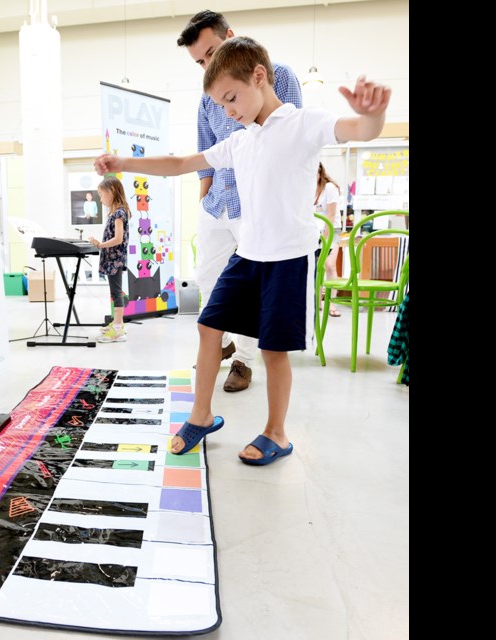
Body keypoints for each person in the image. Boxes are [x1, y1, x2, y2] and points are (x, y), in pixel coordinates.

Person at [94, 36, 390, 464]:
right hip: (247, 255)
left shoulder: (303, 123)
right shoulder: (240, 140)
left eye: (231, 98)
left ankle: (277, 433)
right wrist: (123, 164)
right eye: (221, 105)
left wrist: (373, 115)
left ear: (259, 76)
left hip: (288, 258)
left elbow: (358, 130)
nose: (229, 111)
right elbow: (181, 164)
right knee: (208, 325)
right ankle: (201, 414)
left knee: (273, 351)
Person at [177, 10, 303, 393]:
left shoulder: (277, 73)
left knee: (252, 286)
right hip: (218, 205)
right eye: (199, 61)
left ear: (230, 36)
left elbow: (292, 137)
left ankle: (243, 362)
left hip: (258, 206)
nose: (207, 65)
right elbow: (204, 153)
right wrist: (203, 203)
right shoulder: (206, 99)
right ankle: (223, 339)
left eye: (211, 53)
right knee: (208, 278)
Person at [87, 176, 131, 343]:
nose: (100, 198)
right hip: (113, 258)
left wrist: (100, 245)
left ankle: (118, 329)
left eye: (101, 194)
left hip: (115, 259)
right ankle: (117, 323)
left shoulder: (119, 212)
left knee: (116, 292)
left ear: (111, 191)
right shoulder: (115, 212)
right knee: (115, 291)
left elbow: (118, 239)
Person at [315, 162, 342, 317]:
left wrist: (326, 236)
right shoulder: (305, 187)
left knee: (329, 265)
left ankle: (331, 303)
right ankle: (318, 302)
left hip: (331, 230)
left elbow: (331, 215)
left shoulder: (329, 188)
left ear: (320, 171)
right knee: (317, 267)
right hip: (314, 232)